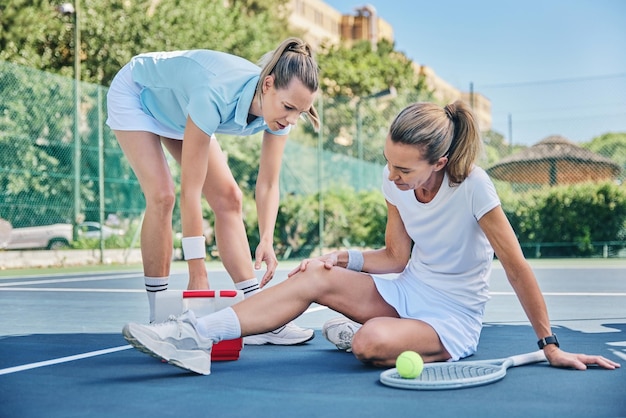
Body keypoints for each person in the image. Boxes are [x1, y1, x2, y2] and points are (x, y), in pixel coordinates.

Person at [121, 101, 621, 375]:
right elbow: (394, 256)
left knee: (369, 342)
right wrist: (342, 259)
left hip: (453, 316)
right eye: (389, 163)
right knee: (316, 273)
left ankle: (368, 337)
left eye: (404, 169)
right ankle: (194, 336)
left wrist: (549, 343)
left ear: (440, 163)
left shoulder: (474, 187)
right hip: (407, 289)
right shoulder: (395, 184)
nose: (393, 175)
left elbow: (515, 266)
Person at [106, 37, 320, 345]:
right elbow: (191, 191)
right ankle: (159, 317)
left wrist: (267, 240)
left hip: (182, 108)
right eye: (288, 108)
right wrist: (197, 271)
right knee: (163, 195)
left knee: (229, 199)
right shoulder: (216, 93)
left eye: (300, 112)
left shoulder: (283, 113)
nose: (291, 119)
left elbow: (269, 183)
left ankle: (258, 314)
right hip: (139, 94)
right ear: (268, 84)